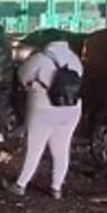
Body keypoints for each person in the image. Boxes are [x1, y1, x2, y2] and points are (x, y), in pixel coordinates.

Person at [8, 38, 83, 200]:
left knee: (35, 148)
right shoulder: (74, 58)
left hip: (43, 108)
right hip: (71, 109)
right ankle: (56, 188)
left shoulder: (39, 58)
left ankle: (20, 184)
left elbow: (22, 76)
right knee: (62, 149)